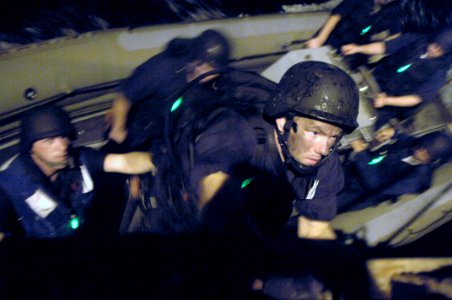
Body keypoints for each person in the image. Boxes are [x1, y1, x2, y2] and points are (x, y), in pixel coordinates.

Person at [141, 60, 359, 241]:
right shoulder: (237, 131)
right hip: (178, 213)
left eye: (334, 137)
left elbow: (316, 229)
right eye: (315, 133)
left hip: (252, 217)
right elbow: (215, 200)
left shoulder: (325, 164)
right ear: (283, 123)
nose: (323, 149)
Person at [0, 105, 156, 238]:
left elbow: (125, 162)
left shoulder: (79, 158)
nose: (62, 146)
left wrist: (161, 160)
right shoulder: (8, 183)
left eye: (63, 137)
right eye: (50, 141)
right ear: (30, 147)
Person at [107, 29, 231, 150]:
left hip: (163, 136)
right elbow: (125, 95)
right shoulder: (163, 69)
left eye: (215, 70)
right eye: (207, 66)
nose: (210, 73)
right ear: (196, 59)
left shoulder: (210, 85)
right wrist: (118, 130)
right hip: (134, 129)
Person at [341, 26, 452, 132]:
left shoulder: (440, 73)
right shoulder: (416, 39)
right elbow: (384, 47)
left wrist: (387, 100)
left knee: (358, 124)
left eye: (439, 49)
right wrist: (358, 48)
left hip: (390, 103)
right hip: (375, 80)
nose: (433, 49)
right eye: (434, 44)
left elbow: (417, 98)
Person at [337, 128, 452, 212]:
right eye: (422, 147)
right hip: (354, 171)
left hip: (359, 194)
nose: (421, 151)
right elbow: (408, 140)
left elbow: (375, 186)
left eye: (427, 154)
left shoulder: (418, 180)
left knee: (323, 206)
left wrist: (361, 154)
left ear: (433, 160)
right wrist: (394, 133)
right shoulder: (416, 146)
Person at [306, 0, 402, 69]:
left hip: (355, 47)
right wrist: (321, 38)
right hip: (335, 34)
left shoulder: (394, 10)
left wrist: (378, 43)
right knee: (310, 62)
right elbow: (337, 14)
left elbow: (396, 36)